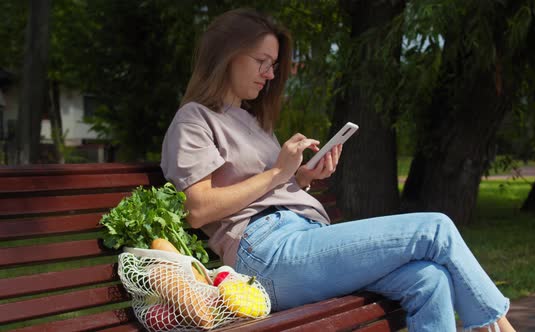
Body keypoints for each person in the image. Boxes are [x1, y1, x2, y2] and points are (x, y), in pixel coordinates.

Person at [160, 8, 515, 332]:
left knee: (429, 278)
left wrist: (301, 178)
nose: (270, 74)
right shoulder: (194, 119)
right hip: (265, 255)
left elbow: (266, 188)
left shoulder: (252, 120)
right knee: (435, 228)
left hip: (301, 238)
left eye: (273, 64)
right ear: (227, 55)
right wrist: (278, 173)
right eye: (262, 61)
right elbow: (197, 209)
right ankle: (498, 324)